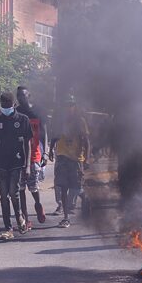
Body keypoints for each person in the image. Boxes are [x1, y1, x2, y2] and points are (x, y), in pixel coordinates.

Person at [0, 92, 32, 239]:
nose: (5, 108)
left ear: (13, 105)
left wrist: (27, 165)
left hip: (17, 162)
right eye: (3, 105)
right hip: (0, 163)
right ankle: (8, 227)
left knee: (14, 192)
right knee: (3, 196)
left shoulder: (23, 120)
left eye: (8, 105)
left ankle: (19, 218)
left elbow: (28, 143)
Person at [49, 95, 89, 228]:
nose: (68, 108)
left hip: (76, 159)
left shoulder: (80, 121)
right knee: (63, 187)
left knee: (76, 188)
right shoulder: (60, 121)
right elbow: (54, 137)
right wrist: (50, 151)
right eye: (66, 105)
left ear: (75, 107)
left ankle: (86, 199)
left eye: (71, 105)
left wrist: (87, 159)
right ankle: (66, 218)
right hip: (62, 158)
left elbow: (86, 141)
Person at [15, 86, 48, 227]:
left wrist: (45, 152)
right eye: (18, 96)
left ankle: (38, 204)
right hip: (19, 155)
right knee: (20, 188)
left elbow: (44, 132)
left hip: (34, 153)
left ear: (29, 95)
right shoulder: (16, 112)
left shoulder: (38, 111)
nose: (21, 98)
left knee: (33, 186)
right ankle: (26, 218)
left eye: (23, 95)